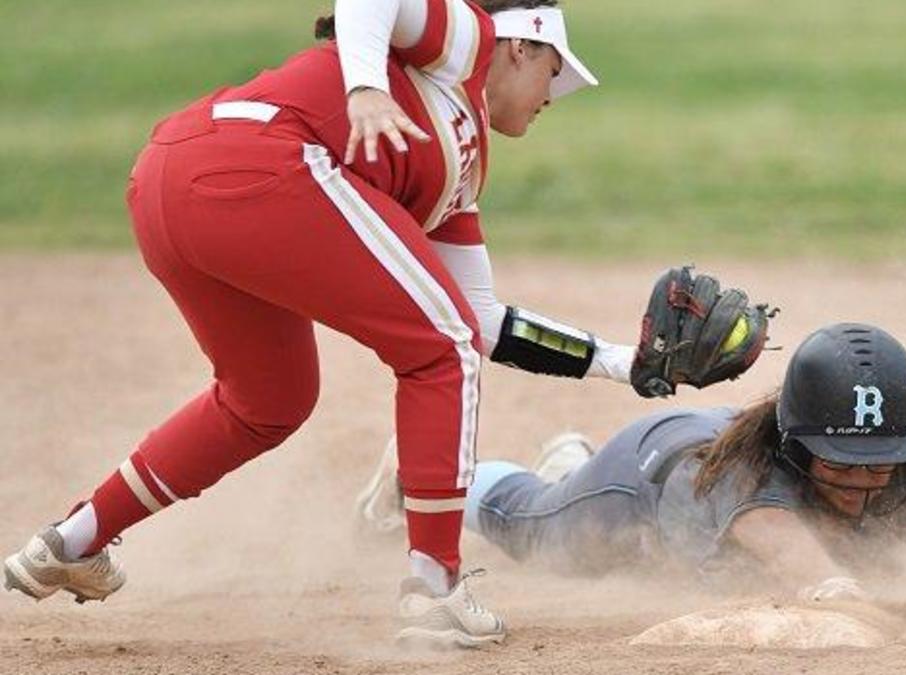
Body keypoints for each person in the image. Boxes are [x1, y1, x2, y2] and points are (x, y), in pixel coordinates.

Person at [4, 0, 652, 648]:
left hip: (170, 185)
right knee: (439, 349)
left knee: (270, 399)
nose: (551, 97)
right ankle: (435, 589)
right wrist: (368, 86)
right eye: (553, 73)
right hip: (258, 160)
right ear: (521, 46)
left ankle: (71, 540)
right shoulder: (470, 42)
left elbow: (482, 322)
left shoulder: (459, 171)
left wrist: (627, 362)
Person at [358, 322, 906, 599]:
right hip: (644, 482)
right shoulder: (745, 477)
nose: (866, 478)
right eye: (841, 460)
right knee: (535, 528)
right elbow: (821, 581)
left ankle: (570, 456)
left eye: (882, 461)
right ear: (798, 443)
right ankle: (423, 477)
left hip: (682, 465)